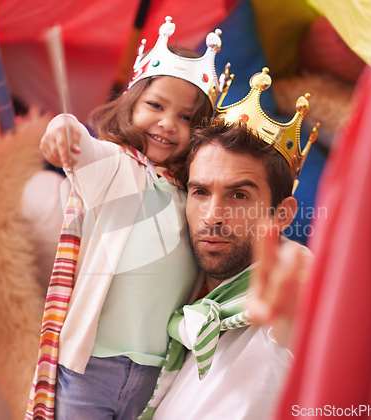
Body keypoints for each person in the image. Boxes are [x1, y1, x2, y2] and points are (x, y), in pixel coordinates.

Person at [26, 16, 230, 420]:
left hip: (156, 373)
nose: (168, 124)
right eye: (156, 105)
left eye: (188, 118)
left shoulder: (194, 194)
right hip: (90, 366)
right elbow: (81, 145)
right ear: (131, 104)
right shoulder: (115, 167)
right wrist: (63, 129)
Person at [139, 70, 317, 420]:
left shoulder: (298, 293)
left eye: (238, 195)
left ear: (281, 215)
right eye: (200, 192)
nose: (213, 216)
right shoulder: (182, 295)